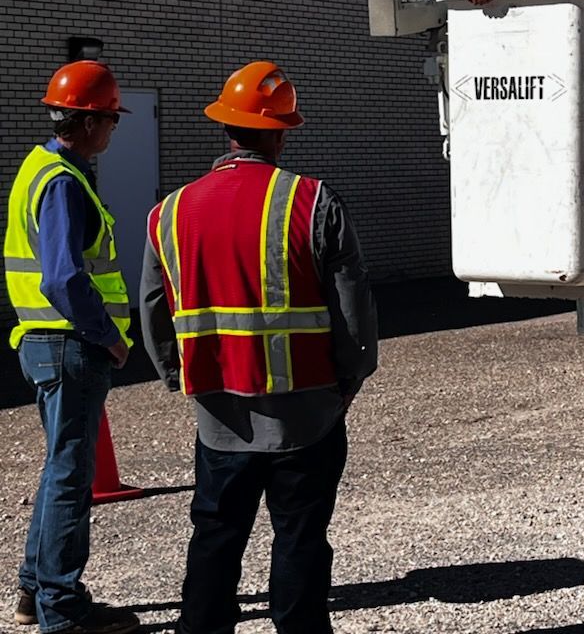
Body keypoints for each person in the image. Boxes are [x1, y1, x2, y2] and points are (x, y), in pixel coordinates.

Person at [139, 60, 378, 634]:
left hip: (220, 417)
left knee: (216, 538)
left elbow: (152, 310)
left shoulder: (168, 212)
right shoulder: (313, 202)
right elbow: (353, 308)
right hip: (308, 413)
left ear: (228, 127)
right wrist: (351, 377)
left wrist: (179, 377)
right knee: (299, 538)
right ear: (279, 131)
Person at [3, 61, 140, 634]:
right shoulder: (63, 182)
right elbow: (63, 278)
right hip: (70, 347)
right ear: (86, 121)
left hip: (45, 345)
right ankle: (63, 608)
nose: (113, 129)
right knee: (70, 476)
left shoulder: (40, 168)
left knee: (60, 470)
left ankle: (36, 591)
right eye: (110, 118)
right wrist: (108, 338)